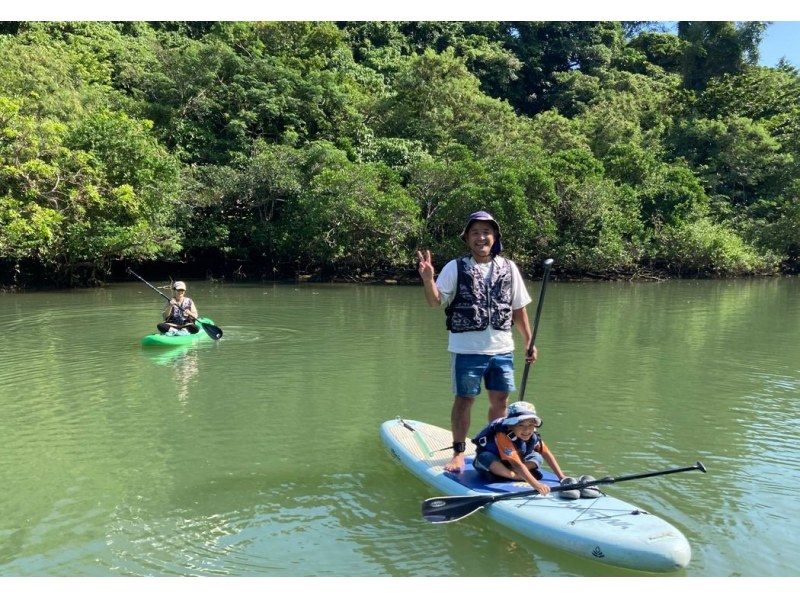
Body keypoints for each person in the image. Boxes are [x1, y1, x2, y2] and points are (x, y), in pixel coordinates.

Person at [417, 210, 537, 473]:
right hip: (466, 349)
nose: (481, 237)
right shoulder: (454, 267)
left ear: (494, 237)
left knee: (501, 402)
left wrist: (529, 341)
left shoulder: (509, 268)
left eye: (486, 232)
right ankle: (459, 453)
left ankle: (497, 450)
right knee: (464, 399)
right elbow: (435, 301)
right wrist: (428, 280)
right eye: (475, 233)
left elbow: (519, 309)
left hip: (502, 348)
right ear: (467, 238)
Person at [472, 401, 567, 495]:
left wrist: (561, 477)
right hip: (493, 463)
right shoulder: (503, 435)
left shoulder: (533, 436)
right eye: (521, 425)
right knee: (485, 457)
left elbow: (546, 454)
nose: (526, 430)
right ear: (510, 425)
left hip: (513, 464)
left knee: (537, 457)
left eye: (530, 425)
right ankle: (513, 476)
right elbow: (517, 464)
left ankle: (516, 473)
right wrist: (537, 485)